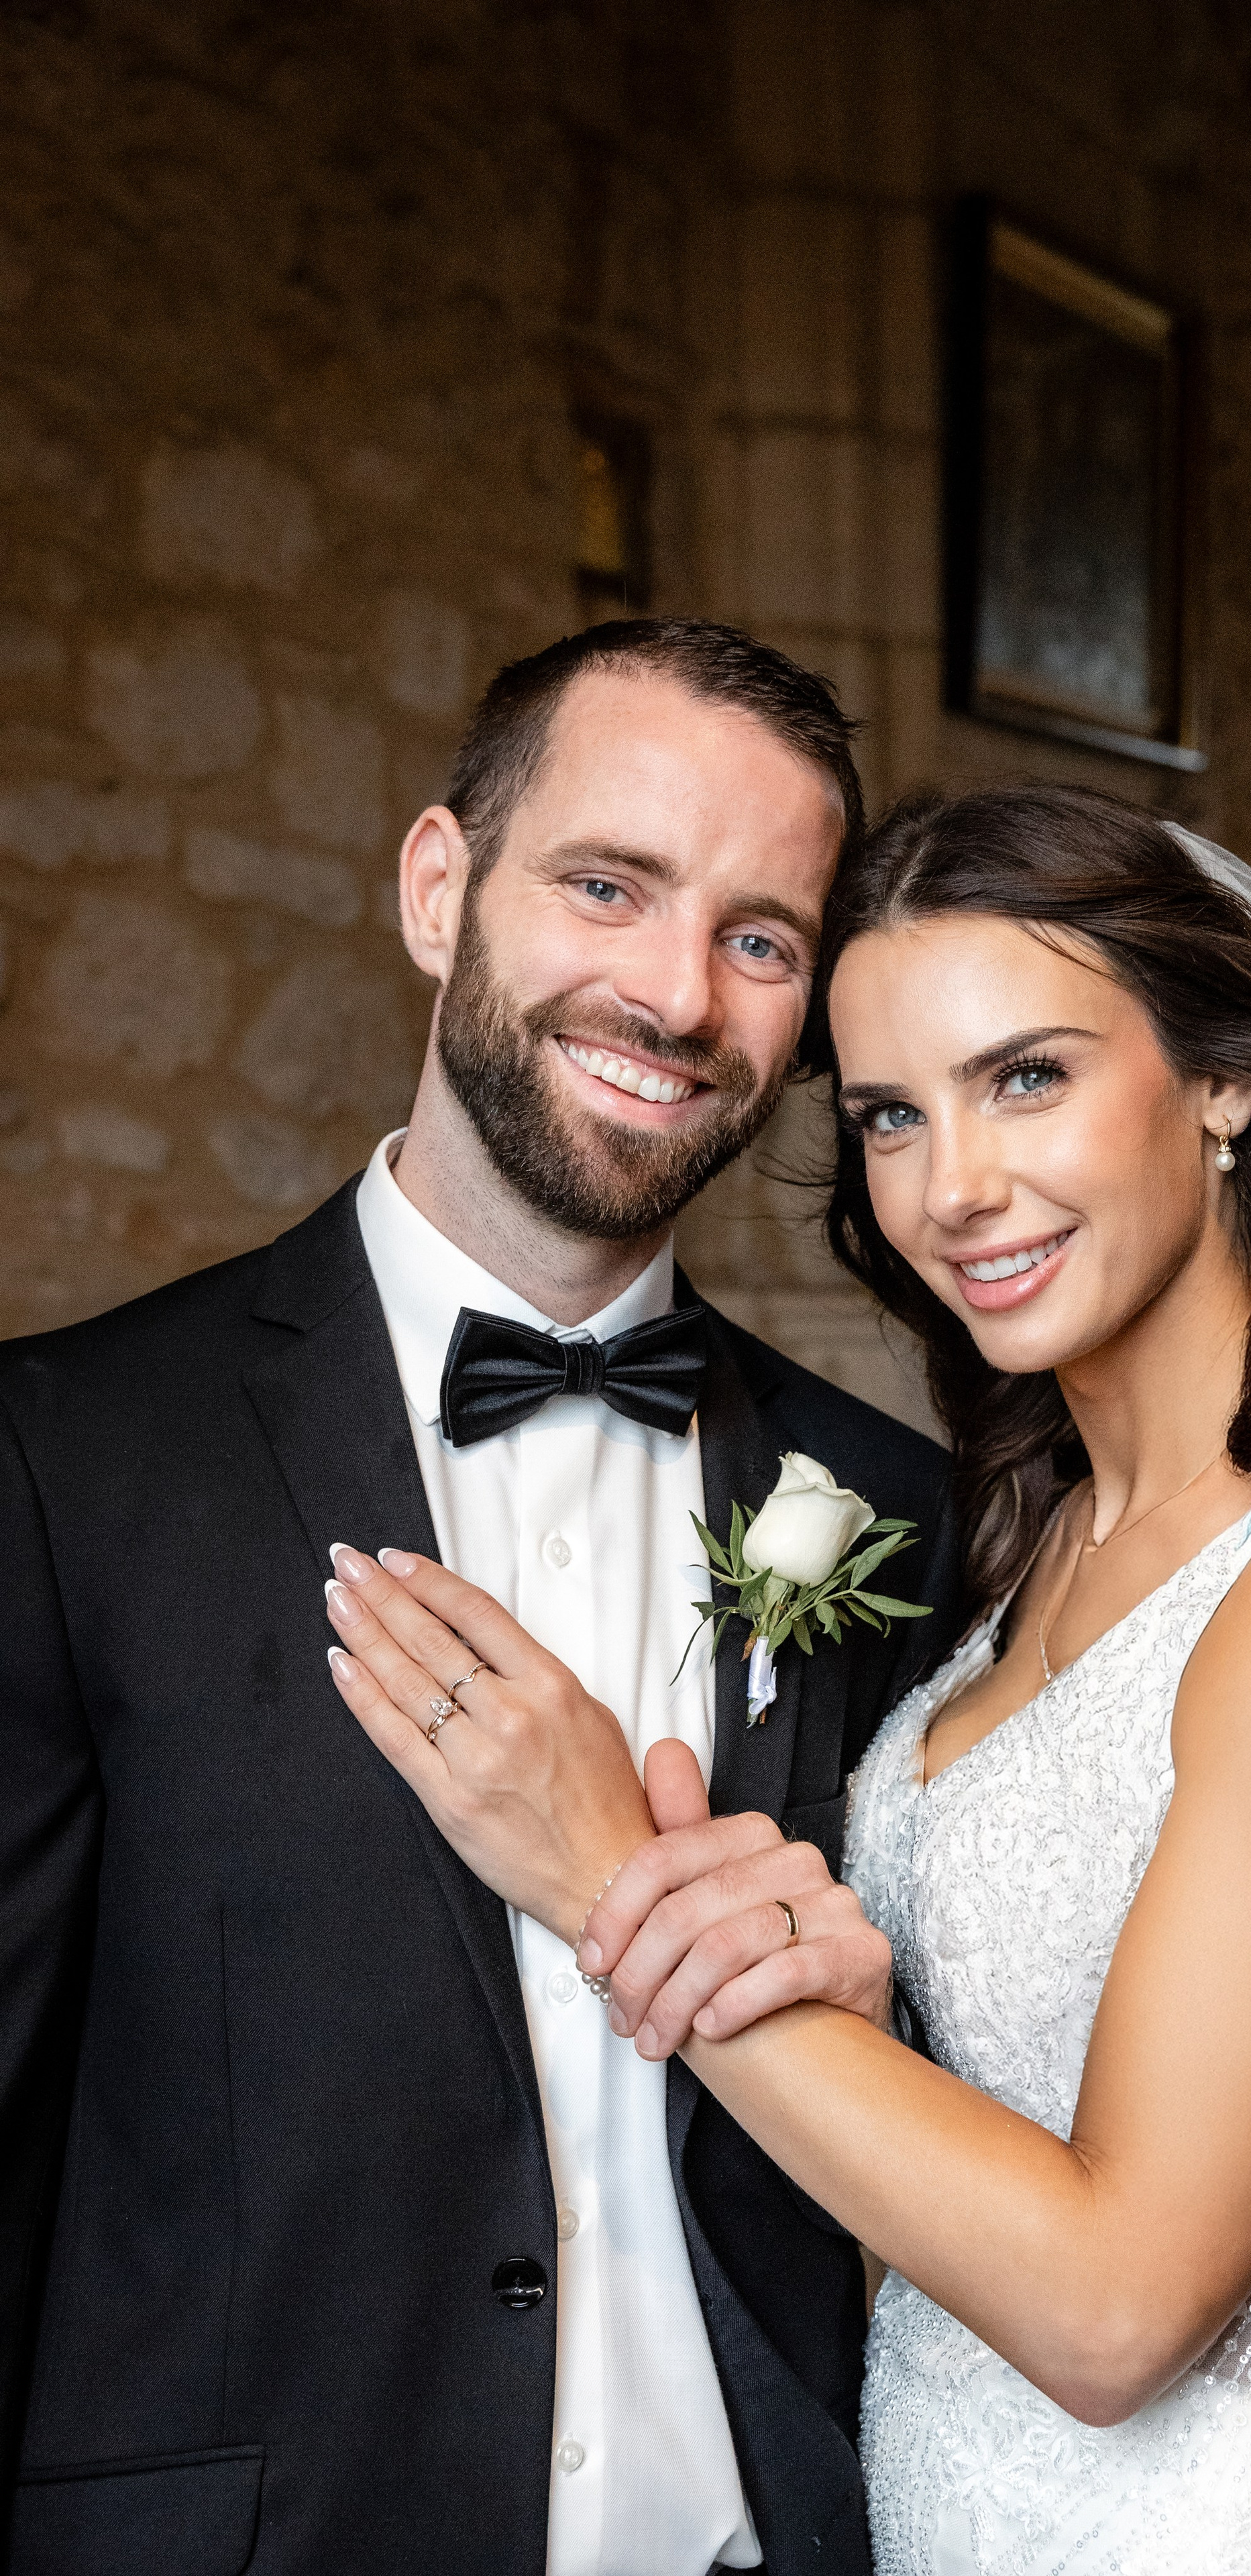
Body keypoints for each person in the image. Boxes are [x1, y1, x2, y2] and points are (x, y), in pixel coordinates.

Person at [323, 783, 1251, 2575]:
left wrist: (605, 1876)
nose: (952, 1187)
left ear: (1222, 1082)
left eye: (1027, 1078)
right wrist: (855, 1981)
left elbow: (1117, 2310)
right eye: (894, 1116)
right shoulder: (1028, 1545)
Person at [0, 620, 963, 2576]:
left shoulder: (899, 1515)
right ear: (441, 889)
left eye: (761, 938)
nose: (677, 992)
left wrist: (893, 2015)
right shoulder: (67, 1459)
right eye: (608, 885)